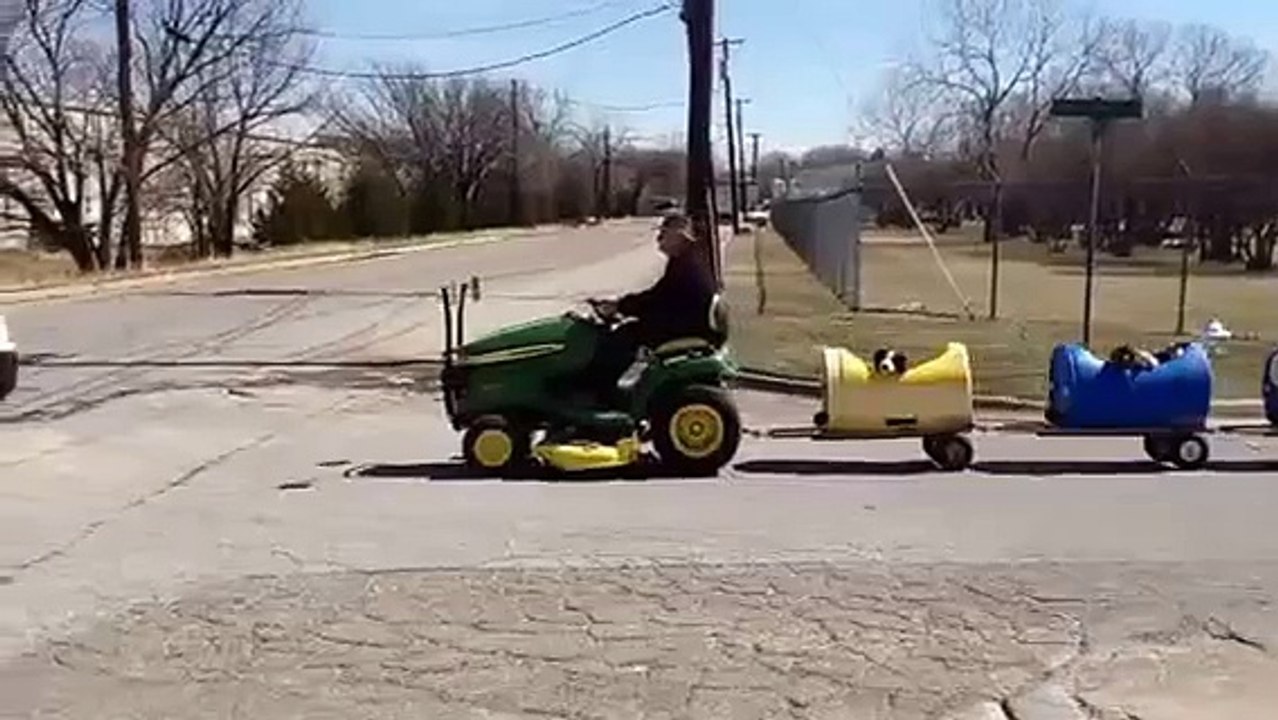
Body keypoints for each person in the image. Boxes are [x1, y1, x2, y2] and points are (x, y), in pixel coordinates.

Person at [588, 212, 720, 397]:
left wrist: (621, 307)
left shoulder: (685, 265)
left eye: (663, 235)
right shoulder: (686, 259)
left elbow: (657, 300)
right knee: (627, 332)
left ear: (678, 236)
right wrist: (621, 305)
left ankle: (602, 394)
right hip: (687, 320)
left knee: (620, 339)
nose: (659, 240)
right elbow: (659, 296)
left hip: (684, 324)